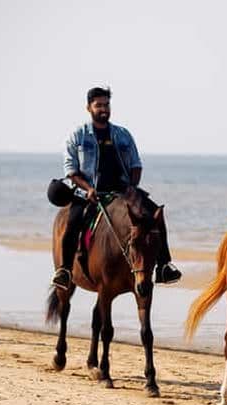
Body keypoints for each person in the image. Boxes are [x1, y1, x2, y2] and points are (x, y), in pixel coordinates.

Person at [51, 87, 182, 290]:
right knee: (73, 223)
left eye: (106, 104)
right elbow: (71, 171)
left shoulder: (122, 134)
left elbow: (136, 164)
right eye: (99, 105)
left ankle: (164, 265)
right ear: (89, 108)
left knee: (154, 214)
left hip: (122, 190)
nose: (103, 109)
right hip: (89, 192)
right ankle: (65, 271)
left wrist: (132, 188)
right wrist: (88, 189)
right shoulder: (77, 136)